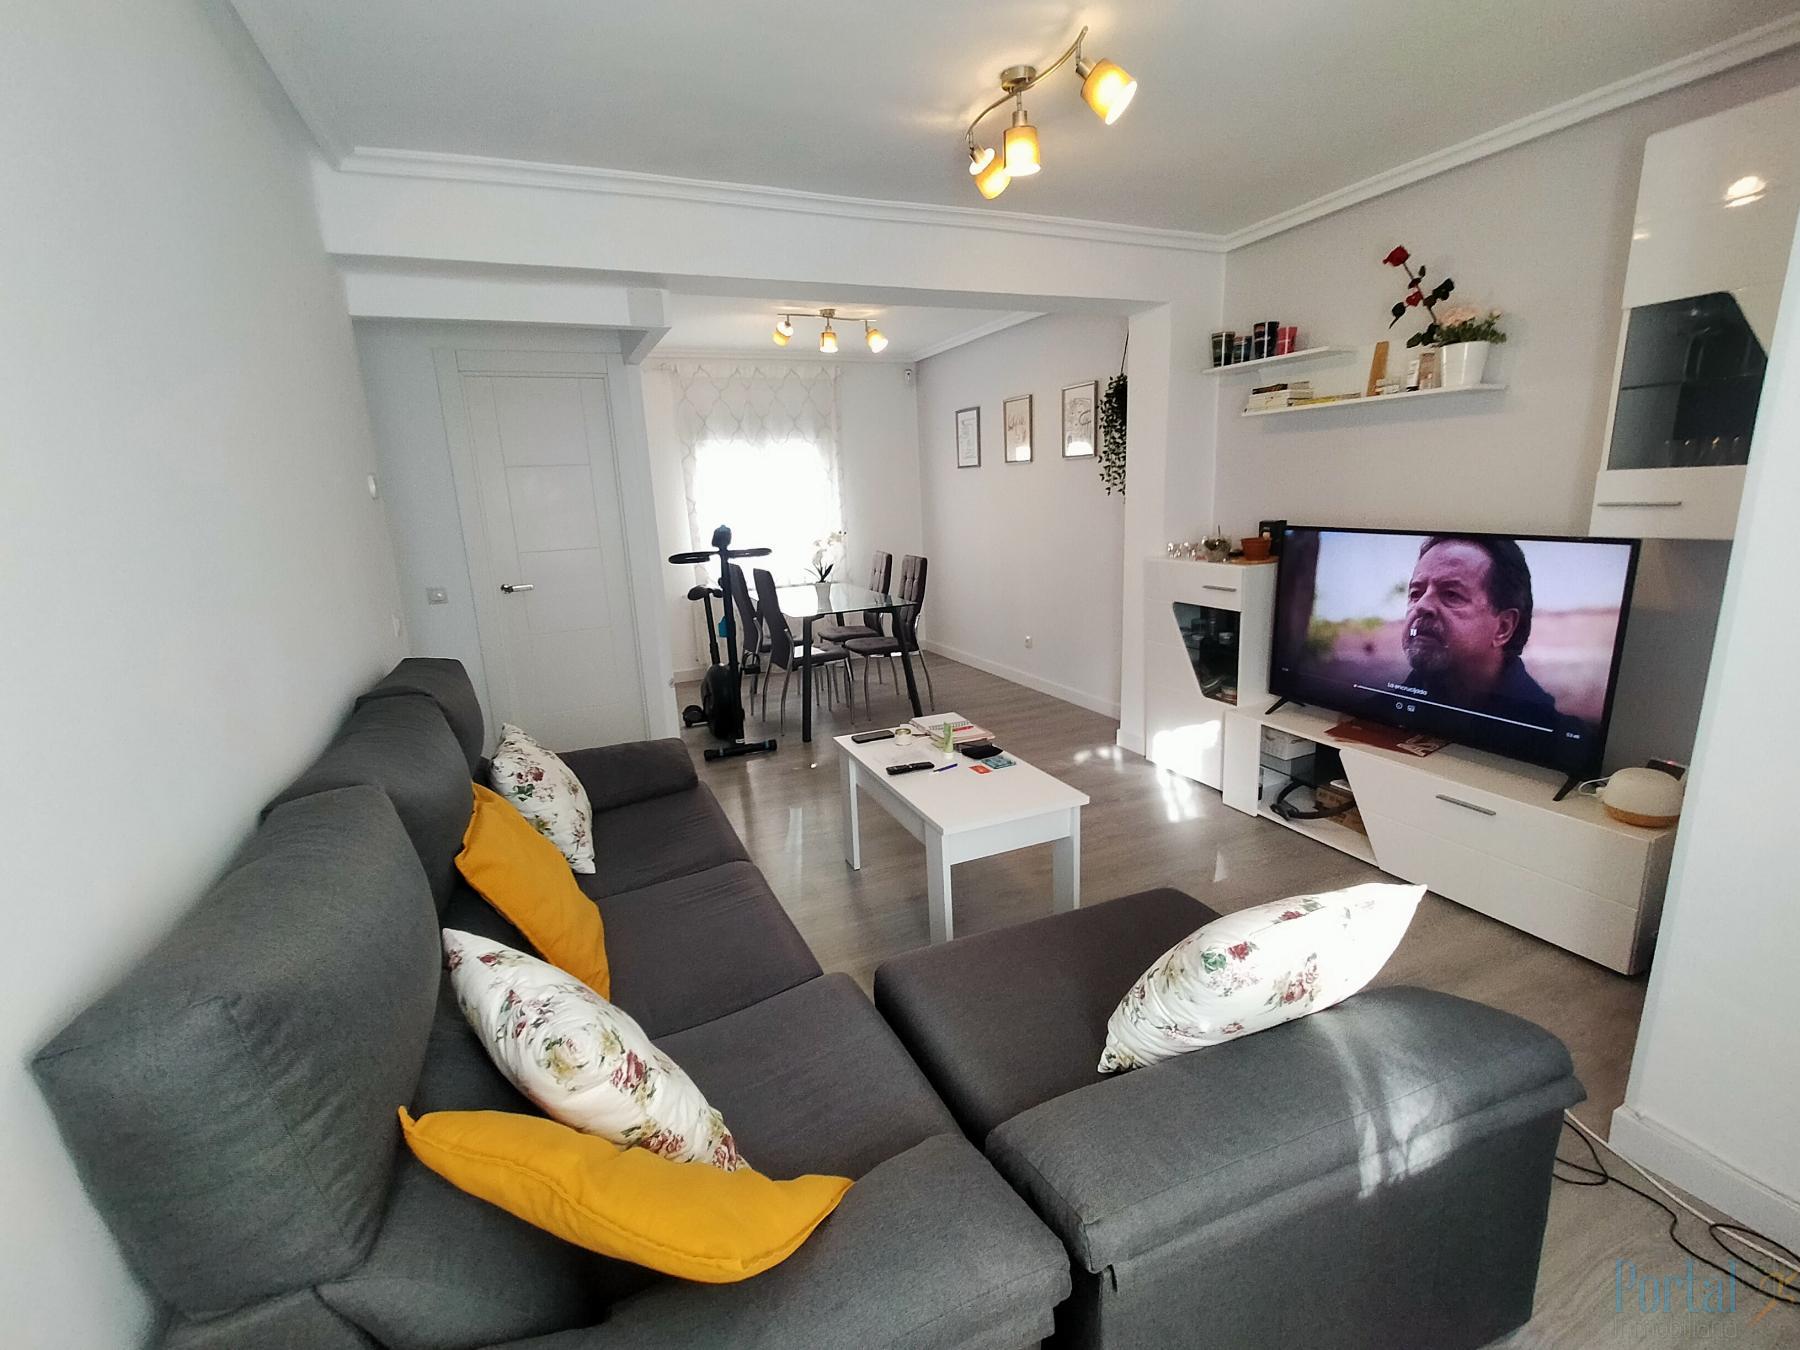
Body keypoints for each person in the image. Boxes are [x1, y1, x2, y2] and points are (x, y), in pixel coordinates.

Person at [1392, 535, 1561, 727]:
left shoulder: (1553, 738)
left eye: (1451, 594)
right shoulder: (1378, 712)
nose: (1421, 606)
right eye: (1415, 594)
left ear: (1503, 628)